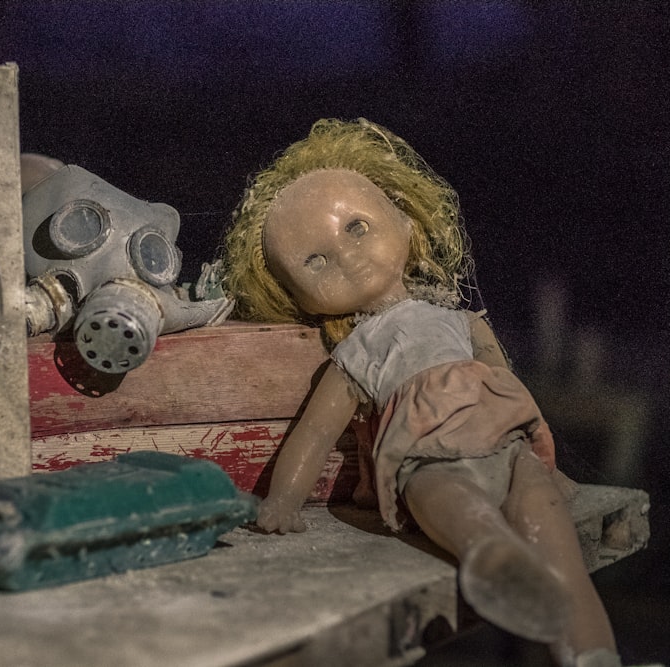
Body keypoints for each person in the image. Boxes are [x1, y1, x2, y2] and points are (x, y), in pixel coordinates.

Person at [223, 118, 622, 667]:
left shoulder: (458, 321)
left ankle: (592, 654)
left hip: (505, 447)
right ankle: (491, 556)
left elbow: (507, 384)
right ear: (301, 296)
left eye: (357, 227)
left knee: (555, 538)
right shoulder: (360, 350)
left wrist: (548, 463)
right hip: (426, 456)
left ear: (405, 221)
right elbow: (316, 431)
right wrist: (284, 500)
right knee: (448, 502)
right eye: (315, 261)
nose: (345, 255)